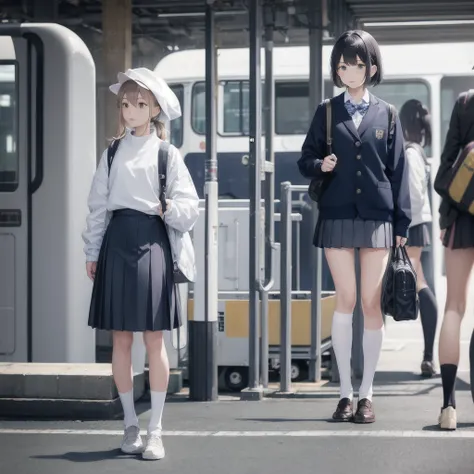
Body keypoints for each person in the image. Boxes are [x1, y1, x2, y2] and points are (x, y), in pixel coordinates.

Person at [82, 68, 199, 458]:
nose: (130, 111)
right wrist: (92, 250)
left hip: (152, 242)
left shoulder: (167, 153)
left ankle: (156, 429)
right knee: (120, 339)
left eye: (138, 104)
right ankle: (130, 425)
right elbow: (98, 205)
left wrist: (168, 208)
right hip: (117, 241)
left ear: (154, 110)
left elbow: (189, 206)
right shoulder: (112, 152)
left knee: (154, 339)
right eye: (125, 104)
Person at [297, 30, 411, 424]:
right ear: (336, 68)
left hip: (378, 219)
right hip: (338, 215)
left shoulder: (389, 115)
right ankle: (344, 394)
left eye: (357, 64)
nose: (349, 70)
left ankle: (367, 395)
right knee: (345, 299)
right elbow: (305, 158)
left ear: (371, 68)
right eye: (343, 64)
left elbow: (399, 173)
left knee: (370, 303)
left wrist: (402, 223)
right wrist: (319, 165)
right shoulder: (327, 112)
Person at [434, 89, 474, 431]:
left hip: (461, 217)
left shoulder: (464, 103)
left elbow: (445, 169)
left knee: (454, 308)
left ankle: (448, 407)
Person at [399, 99, 438, 378]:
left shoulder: (411, 153)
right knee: (418, 281)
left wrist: (400, 227)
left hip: (410, 225)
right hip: (418, 224)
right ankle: (427, 356)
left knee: (418, 284)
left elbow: (412, 195)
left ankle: (427, 356)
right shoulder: (418, 151)